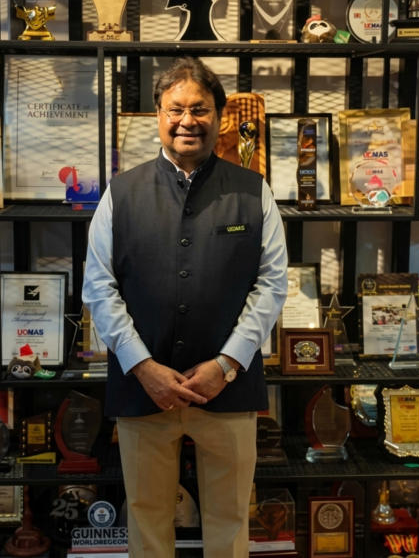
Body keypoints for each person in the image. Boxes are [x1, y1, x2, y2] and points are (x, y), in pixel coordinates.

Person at [82, 56, 288, 558]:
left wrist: (227, 363)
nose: (187, 120)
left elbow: (272, 284)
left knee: (230, 520)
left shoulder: (254, 192)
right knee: (147, 520)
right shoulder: (120, 194)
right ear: (158, 114)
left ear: (220, 117)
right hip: (143, 389)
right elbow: (98, 287)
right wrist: (143, 367)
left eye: (200, 109)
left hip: (228, 388)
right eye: (176, 109)